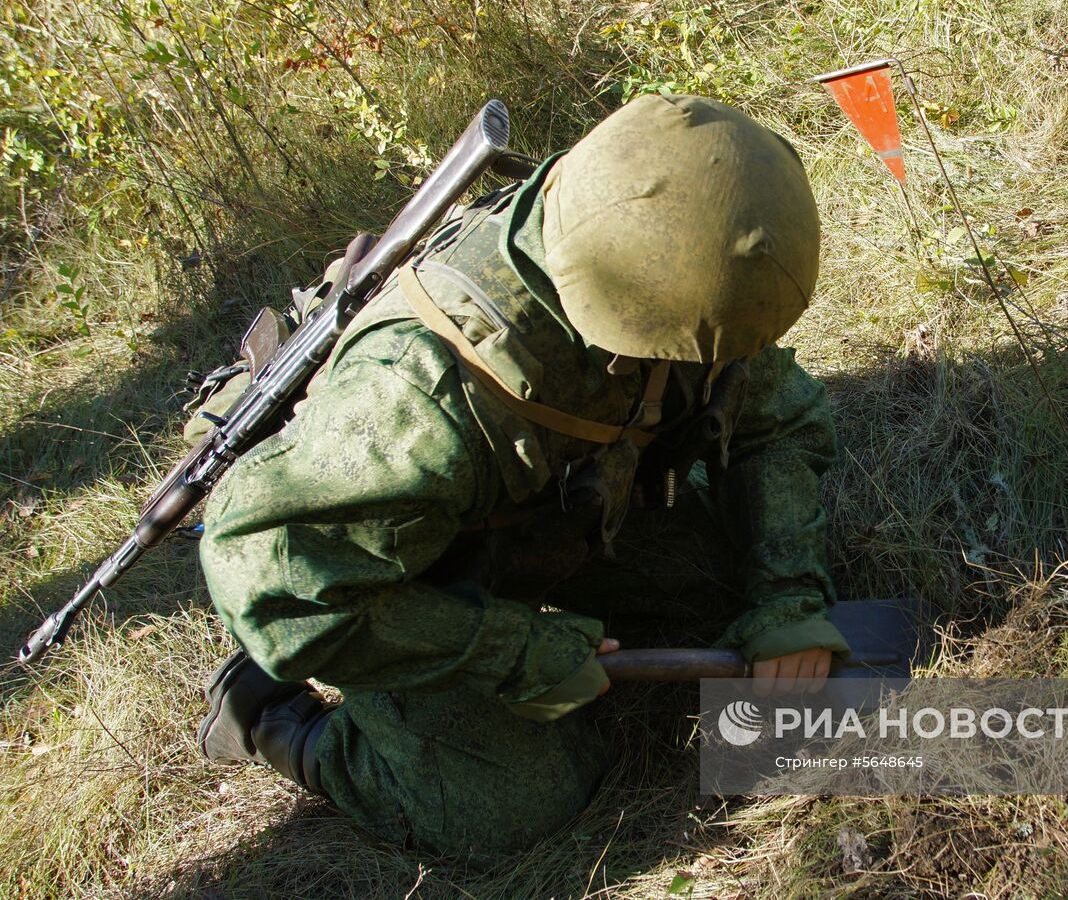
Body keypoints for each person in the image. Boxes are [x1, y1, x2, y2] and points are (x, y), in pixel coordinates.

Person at [194, 94, 849, 857]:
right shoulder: (416, 402)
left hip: (544, 516)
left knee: (714, 582)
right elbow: (272, 579)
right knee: (518, 801)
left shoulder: (673, 248)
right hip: (404, 576)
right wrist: (515, 647)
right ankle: (270, 717)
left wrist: (787, 593)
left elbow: (775, 416)